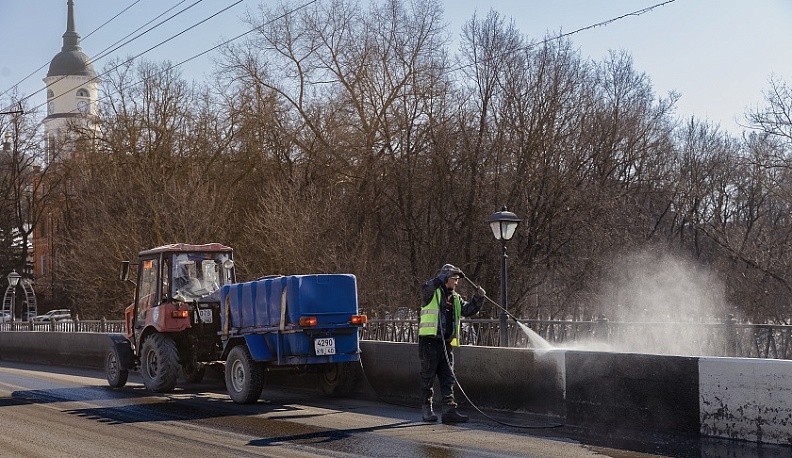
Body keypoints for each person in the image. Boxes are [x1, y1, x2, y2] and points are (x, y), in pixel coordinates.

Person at [418, 263, 485, 423]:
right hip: (430, 342)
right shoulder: (431, 293)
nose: (456, 282)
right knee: (428, 377)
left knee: (448, 378)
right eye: (454, 278)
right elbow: (425, 289)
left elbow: (467, 310)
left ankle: (449, 411)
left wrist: (479, 298)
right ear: (446, 278)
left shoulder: (455, 298)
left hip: (446, 344)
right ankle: (427, 409)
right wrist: (441, 278)